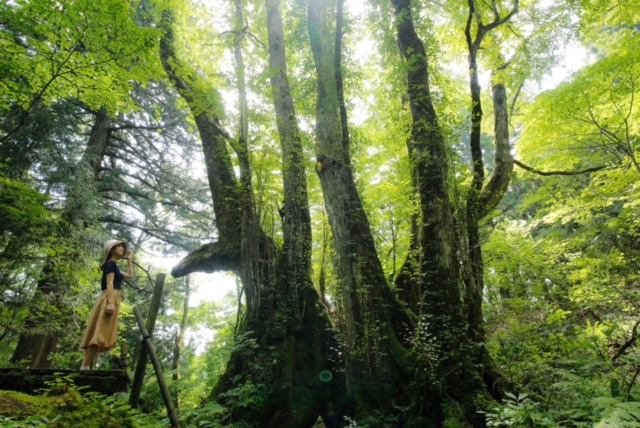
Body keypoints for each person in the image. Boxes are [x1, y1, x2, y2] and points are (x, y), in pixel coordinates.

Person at [79, 239, 134, 370]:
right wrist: (110, 303)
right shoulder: (110, 264)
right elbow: (109, 283)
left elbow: (131, 275)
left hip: (113, 297)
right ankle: (84, 368)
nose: (122, 248)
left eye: (122, 246)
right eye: (118, 246)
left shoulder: (115, 266)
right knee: (99, 333)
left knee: (100, 333)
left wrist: (129, 260)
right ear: (111, 250)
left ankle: (85, 367)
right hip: (109, 297)